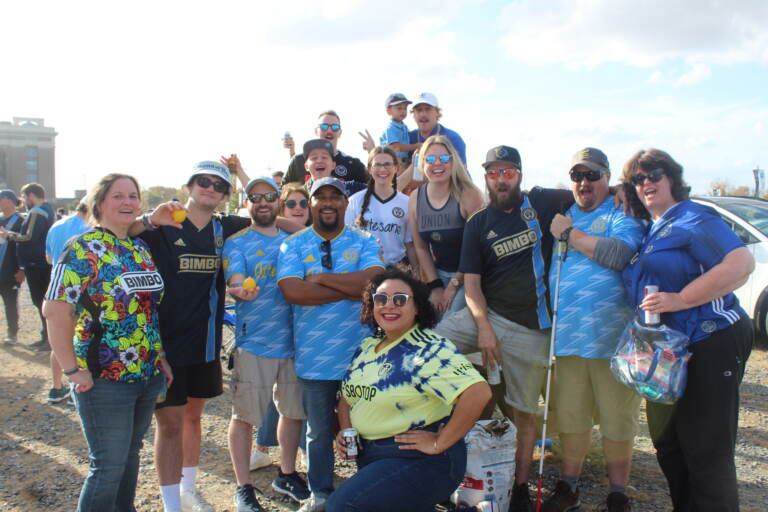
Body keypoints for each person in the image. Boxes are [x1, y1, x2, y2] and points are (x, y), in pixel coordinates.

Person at [434, 145, 574, 511]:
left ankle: (521, 489)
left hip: (532, 327)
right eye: (493, 172)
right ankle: (438, 451)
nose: (500, 179)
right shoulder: (478, 222)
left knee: (524, 412)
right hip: (488, 313)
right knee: (430, 347)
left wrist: (624, 193)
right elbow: (473, 285)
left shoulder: (541, 203)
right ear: (485, 177)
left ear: (520, 175)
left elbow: (587, 191)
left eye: (507, 172)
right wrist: (482, 328)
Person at [620, 148, 754, 512]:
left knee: (706, 449)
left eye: (654, 174)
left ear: (672, 179)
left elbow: (742, 263)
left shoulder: (693, 218)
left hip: (710, 341)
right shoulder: (652, 228)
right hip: (667, 353)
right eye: (638, 178)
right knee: (669, 444)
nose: (646, 183)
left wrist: (681, 299)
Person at [42, 173, 173, 512]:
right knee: (108, 466)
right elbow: (55, 311)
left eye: (133, 195)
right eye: (118, 196)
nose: (127, 202)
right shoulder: (83, 248)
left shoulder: (139, 247)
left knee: (130, 455)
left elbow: (146, 310)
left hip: (145, 373)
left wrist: (159, 358)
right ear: (99, 203)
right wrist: (72, 370)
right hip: (103, 378)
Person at [326, 266, 491, 512]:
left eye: (400, 299)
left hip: (418, 459)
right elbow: (347, 397)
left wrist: (439, 443)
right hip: (373, 456)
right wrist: (346, 431)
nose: (389, 305)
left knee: (343, 506)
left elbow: (479, 393)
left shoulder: (428, 348)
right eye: (381, 299)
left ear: (417, 307)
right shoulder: (369, 345)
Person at [136, 161, 250, 512]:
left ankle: (188, 490)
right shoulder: (163, 222)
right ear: (189, 185)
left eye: (219, 185)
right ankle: (172, 504)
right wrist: (148, 220)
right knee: (169, 424)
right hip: (163, 345)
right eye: (204, 181)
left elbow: (277, 218)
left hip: (204, 343)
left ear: (226, 195)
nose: (210, 188)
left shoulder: (226, 228)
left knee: (193, 418)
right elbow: (110, 231)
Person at [541, 148, 644, 512]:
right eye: (577, 176)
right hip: (567, 339)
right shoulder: (561, 211)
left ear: (608, 178)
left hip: (611, 341)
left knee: (617, 420)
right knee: (572, 418)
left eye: (593, 176)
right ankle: (568, 487)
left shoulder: (622, 211)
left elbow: (619, 254)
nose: (584, 183)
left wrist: (570, 235)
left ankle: (618, 493)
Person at [277, 177, 384, 511]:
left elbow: (374, 282)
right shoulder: (292, 245)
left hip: (360, 355)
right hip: (314, 356)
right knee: (320, 433)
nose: (327, 202)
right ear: (310, 204)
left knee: (369, 427)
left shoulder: (365, 240)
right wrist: (352, 288)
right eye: (319, 196)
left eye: (334, 197)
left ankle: (372, 487)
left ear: (344, 203)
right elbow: (293, 291)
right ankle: (320, 492)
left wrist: (321, 278)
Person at [224, 176, 310, 511]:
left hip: (295, 341)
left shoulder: (294, 237)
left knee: (292, 413)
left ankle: (286, 473)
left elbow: (317, 238)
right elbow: (234, 275)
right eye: (255, 197)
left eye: (270, 197)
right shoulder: (237, 242)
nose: (262, 202)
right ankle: (243, 487)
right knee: (244, 417)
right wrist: (238, 289)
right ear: (247, 203)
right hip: (255, 342)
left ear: (279, 201)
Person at [251, 181, 312, 470]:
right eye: (292, 204)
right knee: (280, 389)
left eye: (303, 203)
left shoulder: (316, 238)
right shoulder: (271, 235)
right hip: (275, 324)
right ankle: (263, 446)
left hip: (308, 325)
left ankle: (302, 449)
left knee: (301, 389)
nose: (298, 208)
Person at [408, 135, 483, 314]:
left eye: (443, 159)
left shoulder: (468, 195)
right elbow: (421, 248)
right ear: (422, 163)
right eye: (430, 159)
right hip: (439, 274)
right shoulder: (415, 198)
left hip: (469, 275)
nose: (437, 164)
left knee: (444, 325)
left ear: (453, 161)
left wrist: (454, 285)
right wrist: (435, 287)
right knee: (424, 320)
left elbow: (477, 249)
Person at [44, 200, 91, 403]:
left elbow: (47, 257)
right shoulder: (91, 228)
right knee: (82, 339)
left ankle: (56, 387)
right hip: (83, 292)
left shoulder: (56, 225)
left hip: (57, 286)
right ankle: (78, 386)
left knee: (60, 339)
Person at [0, 182, 55, 350]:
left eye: (24, 197)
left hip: (36, 264)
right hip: (37, 263)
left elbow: (28, 237)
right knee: (40, 302)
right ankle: (45, 337)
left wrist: (8, 235)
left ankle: (48, 339)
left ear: (31, 195)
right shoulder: (45, 209)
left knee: (41, 302)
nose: (23, 201)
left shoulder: (37, 212)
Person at [345, 146, 417, 268]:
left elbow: (410, 245)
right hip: (363, 268)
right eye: (377, 165)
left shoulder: (407, 202)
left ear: (396, 168)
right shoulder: (354, 201)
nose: (382, 169)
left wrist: (417, 273)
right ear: (369, 169)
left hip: (397, 270)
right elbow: (346, 241)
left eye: (387, 164)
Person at [284, 110, 368, 187]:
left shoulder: (353, 164)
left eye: (335, 127)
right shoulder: (298, 161)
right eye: (324, 126)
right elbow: (284, 192)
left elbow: (372, 189)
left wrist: (372, 153)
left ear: (340, 133)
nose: (329, 131)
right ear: (316, 131)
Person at [0, 190, 24, 345]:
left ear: (9, 201)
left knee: (10, 303)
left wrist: (22, 269)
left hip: (10, 270)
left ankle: (12, 334)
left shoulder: (21, 221)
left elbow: (24, 247)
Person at [378, 93, 420, 165]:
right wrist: (416, 146)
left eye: (405, 108)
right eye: (399, 108)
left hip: (404, 162)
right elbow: (396, 147)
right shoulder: (390, 128)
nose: (403, 111)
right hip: (392, 163)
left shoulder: (404, 127)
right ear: (389, 111)